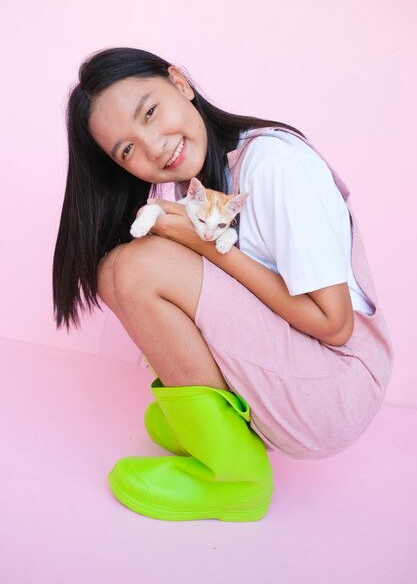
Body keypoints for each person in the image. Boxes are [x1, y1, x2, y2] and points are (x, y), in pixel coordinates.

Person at [53, 47, 393, 522]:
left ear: (180, 83)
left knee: (137, 268)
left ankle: (235, 478)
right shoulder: (198, 180)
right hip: (303, 363)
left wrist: (211, 249)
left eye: (150, 112)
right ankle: (220, 428)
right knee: (116, 268)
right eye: (127, 149)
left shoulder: (271, 164)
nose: (153, 147)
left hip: (339, 385)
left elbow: (334, 324)